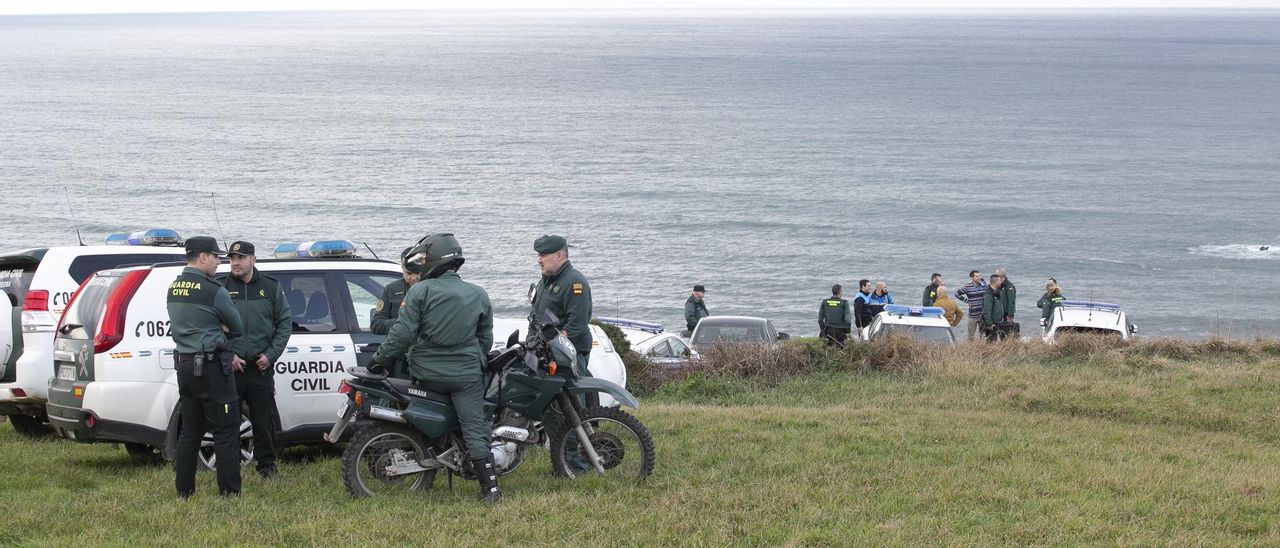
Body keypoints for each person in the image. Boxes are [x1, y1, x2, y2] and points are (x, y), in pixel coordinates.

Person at [371, 233, 497, 502]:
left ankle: (425, 467)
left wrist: (379, 359)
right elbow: (485, 338)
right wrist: (477, 361)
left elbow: (402, 334)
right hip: (465, 376)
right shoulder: (478, 293)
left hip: (427, 374)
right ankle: (490, 490)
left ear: (433, 260)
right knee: (474, 427)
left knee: (423, 423)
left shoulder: (420, 291)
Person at [167, 236, 245, 498]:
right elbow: (238, 327)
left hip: (186, 367)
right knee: (225, 430)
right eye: (215, 256)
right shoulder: (214, 290)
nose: (219, 261)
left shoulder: (174, 287)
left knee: (191, 431)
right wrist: (219, 328)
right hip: (212, 368)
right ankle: (230, 493)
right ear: (202, 257)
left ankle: (184, 491)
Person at [223, 241, 291, 479]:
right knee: (229, 422)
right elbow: (212, 327)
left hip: (260, 368)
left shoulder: (270, 287)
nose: (235, 262)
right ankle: (230, 468)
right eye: (232, 258)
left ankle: (267, 467)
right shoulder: (221, 287)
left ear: (253, 260)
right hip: (232, 368)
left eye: (240, 258)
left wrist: (270, 356)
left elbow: (284, 325)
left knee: (263, 422)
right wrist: (228, 354)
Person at [529, 234, 593, 476]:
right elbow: (537, 319)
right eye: (538, 255)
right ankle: (560, 464)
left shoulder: (575, 283)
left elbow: (576, 326)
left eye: (543, 255)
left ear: (560, 256)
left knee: (566, 410)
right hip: (546, 355)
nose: (539, 260)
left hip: (566, 356)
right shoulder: (547, 280)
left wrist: (550, 347)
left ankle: (575, 466)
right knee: (551, 412)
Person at [370, 247, 419, 378]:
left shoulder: (432, 290)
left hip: (424, 359)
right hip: (399, 360)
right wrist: (401, 323)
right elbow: (376, 325)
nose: (413, 278)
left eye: (417, 273)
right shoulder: (391, 290)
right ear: (402, 268)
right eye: (408, 273)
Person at [955, 270, 987, 341]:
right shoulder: (967, 287)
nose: (979, 277)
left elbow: (989, 293)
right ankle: (971, 351)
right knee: (971, 337)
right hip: (973, 315)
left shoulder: (983, 284)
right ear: (972, 278)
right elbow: (957, 294)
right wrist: (967, 301)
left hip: (983, 315)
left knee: (983, 336)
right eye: (977, 276)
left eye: (979, 276)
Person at [981, 274, 1013, 341]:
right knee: (991, 342)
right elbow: (986, 311)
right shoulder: (988, 294)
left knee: (999, 340)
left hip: (998, 322)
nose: (1001, 282)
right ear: (995, 282)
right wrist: (990, 324)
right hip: (992, 324)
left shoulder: (997, 292)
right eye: (999, 280)